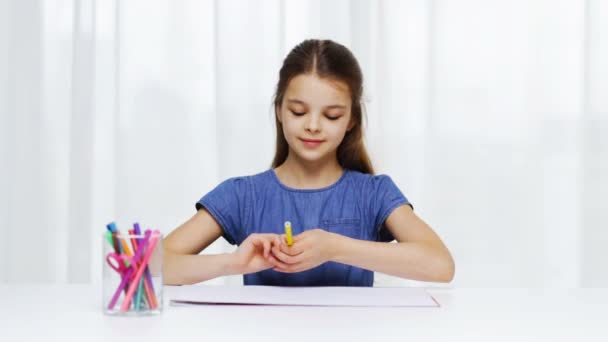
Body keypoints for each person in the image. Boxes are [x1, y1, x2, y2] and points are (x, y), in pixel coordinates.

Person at [163, 39, 455, 286]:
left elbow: (440, 265)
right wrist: (231, 263)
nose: (313, 126)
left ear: (352, 119)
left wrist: (335, 247)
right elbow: (153, 264)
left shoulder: (373, 193)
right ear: (279, 110)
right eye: (299, 111)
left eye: (331, 116)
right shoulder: (243, 195)